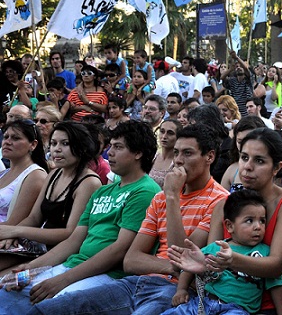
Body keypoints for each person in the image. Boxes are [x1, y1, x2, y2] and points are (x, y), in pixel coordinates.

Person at [26, 124, 230, 315]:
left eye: (188, 153)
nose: (178, 160)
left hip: (175, 290)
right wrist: (169, 266)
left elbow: (182, 255)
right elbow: (132, 260)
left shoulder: (218, 201)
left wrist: (173, 197)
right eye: (176, 152)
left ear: (209, 156)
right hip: (137, 281)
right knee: (47, 309)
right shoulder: (160, 198)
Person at [0, 121, 161, 314]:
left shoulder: (144, 191)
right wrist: (29, 268)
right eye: (111, 146)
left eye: (118, 147)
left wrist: (62, 280)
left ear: (138, 153)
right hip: (71, 265)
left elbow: (119, 250)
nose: (109, 153)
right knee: (7, 288)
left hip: (107, 275)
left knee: (52, 306)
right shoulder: (104, 191)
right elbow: (74, 240)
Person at [206, 128, 282, 314]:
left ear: (276, 167)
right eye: (244, 158)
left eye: (259, 161)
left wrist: (229, 260)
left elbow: (276, 266)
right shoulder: (223, 206)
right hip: (228, 299)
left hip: (274, 304)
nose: (248, 166)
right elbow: (213, 258)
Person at [165, 190, 282, 315]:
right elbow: (189, 267)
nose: (258, 227)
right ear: (229, 226)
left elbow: (276, 286)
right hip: (204, 302)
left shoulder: (265, 254)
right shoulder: (216, 247)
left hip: (236, 310)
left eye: (262, 221)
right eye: (249, 221)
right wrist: (181, 290)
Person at [0, 122, 101, 272]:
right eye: (53, 143)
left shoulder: (89, 182)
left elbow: (69, 233)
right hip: (34, 244)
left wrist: (16, 231)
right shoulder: (54, 174)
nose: (57, 149)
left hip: (56, 253)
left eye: (65, 143)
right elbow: (34, 218)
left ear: (82, 147)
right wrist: (11, 235)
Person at [0, 119, 49, 225]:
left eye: (16, 138)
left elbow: (14, 224)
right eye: (5, 137)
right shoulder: (3, 173)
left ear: (33, 145)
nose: (7, 142)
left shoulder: (36, 176)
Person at [219, 116, 265, 192]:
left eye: (249, 141)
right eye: (240, 142)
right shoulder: (231, 170)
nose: (244, 146)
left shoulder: (269, 169)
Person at [150, 119, 182, 188]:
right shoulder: (153, 157)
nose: (164, 136)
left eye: (170, 133)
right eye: (162, 131)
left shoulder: (178, 162)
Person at [222, 52, 254, 117]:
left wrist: (236, 57)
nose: (239, 68)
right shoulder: (232, 80)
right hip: (235, 112)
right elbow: (222, 77)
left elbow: (246, 69)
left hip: (246, 112)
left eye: (241, 66)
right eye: (237, 67)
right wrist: (230, 68)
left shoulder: (248, 79)